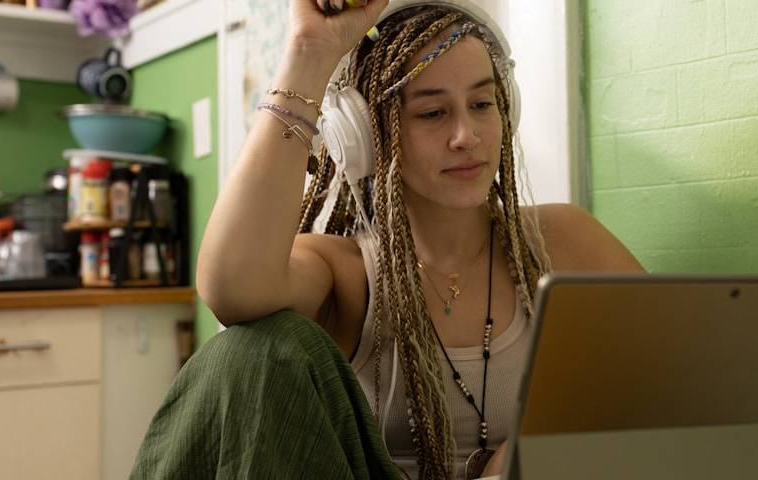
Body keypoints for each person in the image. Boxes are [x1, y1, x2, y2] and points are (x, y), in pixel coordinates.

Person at [133, 0, 644, 479]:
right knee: (247, 349)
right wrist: (309, 52)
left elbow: (672, 376)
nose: (466, 135)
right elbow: (230, 286)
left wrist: (535, 444)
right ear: (365, 133)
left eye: (483, 103)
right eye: (432, 112)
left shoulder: (562, 243)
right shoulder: (346, 272)